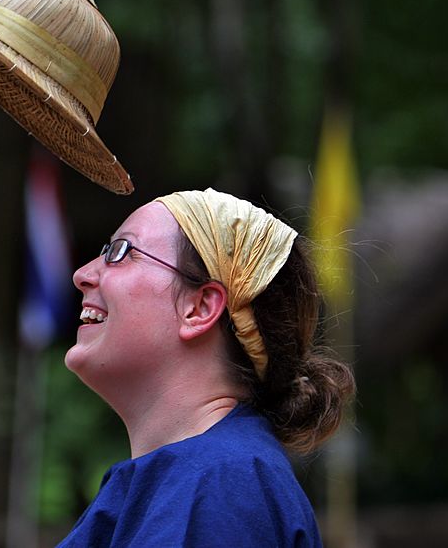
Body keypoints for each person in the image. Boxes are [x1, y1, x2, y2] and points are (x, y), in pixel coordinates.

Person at [58, 188, 355, 547]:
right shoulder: (197, 479)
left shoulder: (223, 482)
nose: (82, 274)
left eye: (121, 252)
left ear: (199, 308)